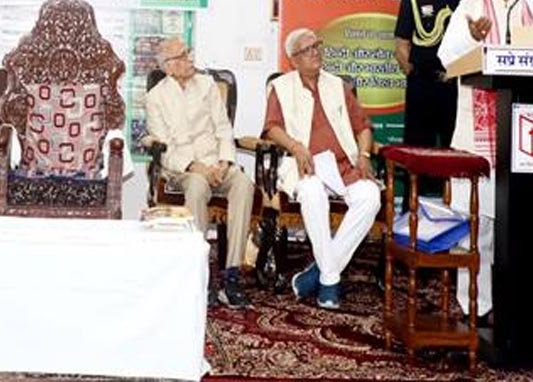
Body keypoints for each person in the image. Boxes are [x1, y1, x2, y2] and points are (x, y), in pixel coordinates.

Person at [438, 0, 533, 319]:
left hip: (528, 138)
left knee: (519, 226)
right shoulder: (469, 9)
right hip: (478, 137)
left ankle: (517, 307)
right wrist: (472, 37)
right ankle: (475, 305)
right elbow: (446, 58)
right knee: (477, 226)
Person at [263, 28, 381, 310]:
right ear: (293, 60)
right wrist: (295, 146)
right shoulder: (281, 87)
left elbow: (363, 126)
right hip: (306, 165)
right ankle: (329, 281)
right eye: (307, 49)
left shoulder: (338, 85)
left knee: (370, 197)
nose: (315, 52)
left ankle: (320, 273)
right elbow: (271, 128)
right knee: (312, 192)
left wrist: (364, 154)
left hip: (343, 166)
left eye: (317, 45)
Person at [145, 38, 254, 309]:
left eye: (189, 53)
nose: (191, 59)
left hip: (215, 163)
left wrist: (224, 163)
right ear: (169, 67)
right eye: (183, 56)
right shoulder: (155, 97)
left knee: (243, 183)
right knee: (197, 185)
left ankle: (231, 274)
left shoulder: (207, 85)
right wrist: (197, 168)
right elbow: (164, 148)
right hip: (182, 169)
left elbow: (223, 129)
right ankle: (199, 271)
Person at [394, 0, 477, 147]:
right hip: (423, 86)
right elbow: (401, 44)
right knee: (419, 154)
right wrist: (415, 74)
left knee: (459, 152)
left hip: (459, 88)